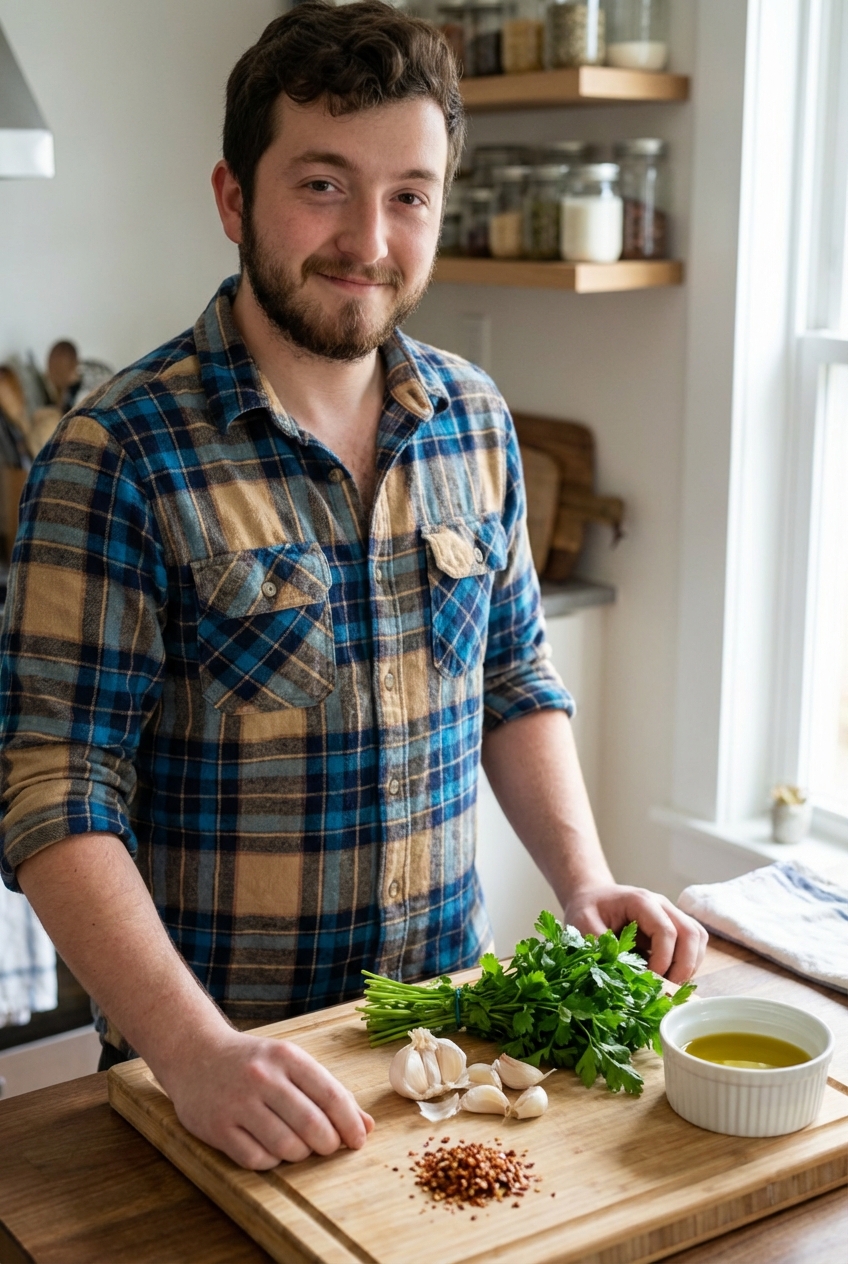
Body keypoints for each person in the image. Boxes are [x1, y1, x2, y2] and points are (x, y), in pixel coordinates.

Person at [0, 0, 707, 1170]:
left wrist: (584, 883)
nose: (369, 239)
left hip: (438, 1051)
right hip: (215, 1077)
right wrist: (192, 1050)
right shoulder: (114, 451)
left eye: (409, 195)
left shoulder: (475, 421)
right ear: (235, 199)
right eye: (322, 185)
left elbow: (513, 678)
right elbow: (49, 791)